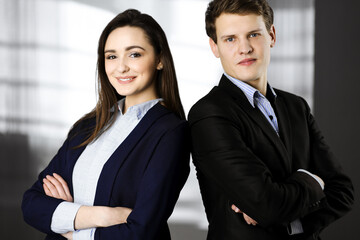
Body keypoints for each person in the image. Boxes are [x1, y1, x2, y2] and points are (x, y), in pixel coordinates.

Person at [188, 0, 354, 239]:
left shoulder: (296, 106)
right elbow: (267, 205)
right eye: (230, 39)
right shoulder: (209, 113)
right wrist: (314, 180)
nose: (244, 48)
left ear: (272, 35)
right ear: (215, 47)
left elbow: (343, 192)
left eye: (253, 34)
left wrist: (281, 211)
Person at [22, 9, 190, 240]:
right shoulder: (88, 125)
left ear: (160, 59)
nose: (120, 67)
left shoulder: (170, 132)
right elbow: (31, 204)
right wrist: (101, 216)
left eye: (134, 55)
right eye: (111, 56)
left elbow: (142, 230)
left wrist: (71, 231)